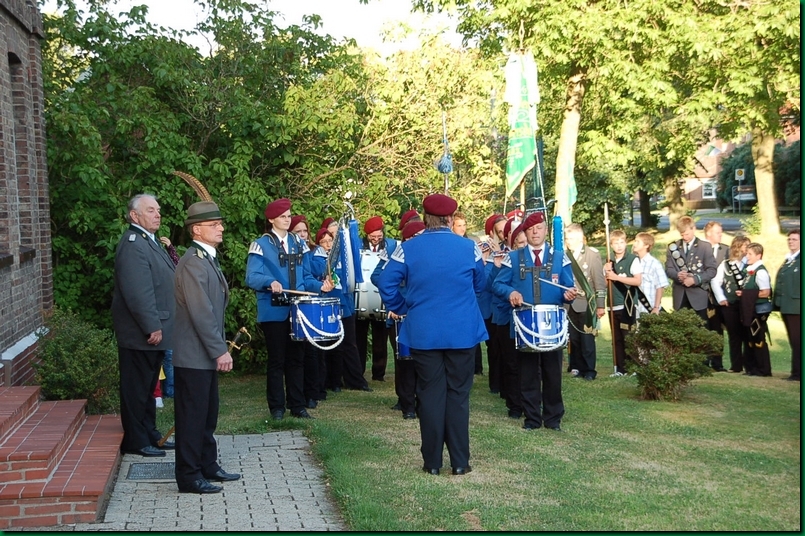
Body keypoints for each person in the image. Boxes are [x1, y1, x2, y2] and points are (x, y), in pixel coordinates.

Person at [378, 193, 487, 476]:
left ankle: (432, 463)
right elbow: (480, 283)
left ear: (425, 218)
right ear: (450, 219)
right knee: (458, 395)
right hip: (462, 331)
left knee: (429, 395)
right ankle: (460, 462)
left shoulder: (407, 248)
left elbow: (386, 282)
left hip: (424, 332)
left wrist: (403, 306)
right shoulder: (469, 247)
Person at [173, 201, 240, 494]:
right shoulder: (193, 263)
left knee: (207, 414)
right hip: (194, 354)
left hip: (202, 354)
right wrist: (219, 350)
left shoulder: (205, 259)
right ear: (196, 230)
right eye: (214, 225)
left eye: (220, 223)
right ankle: (189, 476)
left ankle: (207, 464)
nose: (221, 228)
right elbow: (201, 313)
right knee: (192, 417)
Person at [493, 211, 577, 431]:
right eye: (530, 229)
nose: (535, 232)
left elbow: (568, 287)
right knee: (527, 373)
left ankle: (553, 418)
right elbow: (498, 285)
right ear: (525, 232)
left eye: (539, 228)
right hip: (525, 325)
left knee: (553, 373)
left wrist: (569, 294)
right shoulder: (513, 258)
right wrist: (510, 292)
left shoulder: (560, 257)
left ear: (546, 230)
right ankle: (532, 418)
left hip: (552, 325)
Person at [111, 194, 176, 457]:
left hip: (154, 329)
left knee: (149, 387)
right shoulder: (133, 244)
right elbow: (138, 292)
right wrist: (152, 325)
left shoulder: (149, 241)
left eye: (158, 210)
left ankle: (149, 433)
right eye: (150, 210)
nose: (157, 214)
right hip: (141, 333)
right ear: (134, 216)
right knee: (136, 389)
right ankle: (136, 440)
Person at [245, 198, 317, 420]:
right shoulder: (260, 244)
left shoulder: (299, 243)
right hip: (273, 310)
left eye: (288, 216)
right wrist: (269, 281)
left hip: (298, 310)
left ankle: (298, 405)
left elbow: (306, 276)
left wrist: (320, 286)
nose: (287, 220)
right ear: (271, 220)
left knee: (297, 359)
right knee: (277, 360)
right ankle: (277, 407)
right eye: (282, 217)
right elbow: (251, 277)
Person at [305, 227, 372, 394]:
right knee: (328, 344)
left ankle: (354, 380)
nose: (328, 244)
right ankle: (331, 381)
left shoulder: (341, 257)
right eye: (324, 241)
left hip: (343, 303)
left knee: (348, 343)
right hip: (327, 303)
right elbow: (319, 272)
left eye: (330, 240)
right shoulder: (315, 256)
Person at [376, 219, 426, 419]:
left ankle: (422, 403)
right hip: (399, 313)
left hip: (422, 313)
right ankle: (407, 404)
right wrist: (395, 304)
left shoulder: (428, 253)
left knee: (423, 361)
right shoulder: (395, 251)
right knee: (403, 360)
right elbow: (378, 276)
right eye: (413, 237)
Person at [355, 216, 398, 382]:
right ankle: (358, 371)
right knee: (359, 338)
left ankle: (378, 373)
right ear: (366, 235)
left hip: (381, 299)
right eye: (372, 236)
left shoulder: (391, 246)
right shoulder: (358, 245)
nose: (376, 239)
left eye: (379, 236)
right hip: (361, 298)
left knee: (381, 339)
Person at [564, 223, 606, 381]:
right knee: (574, 338)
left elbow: (599, 282)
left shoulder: (592, 254)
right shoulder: (565, 255)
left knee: (587, 338)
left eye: (571, 238)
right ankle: (577, 367)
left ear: (580, 238)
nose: (568, 241)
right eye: (567, 238)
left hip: (587, 303)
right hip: (569, 303)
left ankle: (589, 370)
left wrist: (600, 305)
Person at [604, 230, 642, 376]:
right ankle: (620, 368)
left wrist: (617, 277)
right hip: (612, 305)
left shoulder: (633, 259)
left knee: (629, 337)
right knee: (617, 338)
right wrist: (606, 273)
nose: (619, 246)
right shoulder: (609, 261)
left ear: (626, 243)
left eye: (622, 242)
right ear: (611, 245)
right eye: (616, 243)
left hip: (628, 304)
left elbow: (637, 281)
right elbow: (605, 284)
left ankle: (633, 367)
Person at [712, 235, 751, 373]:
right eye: (745, 246)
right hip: (731, 304)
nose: (747, 249)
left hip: (746, 305)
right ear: (737, 247)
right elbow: (716, 281)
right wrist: (721, 298)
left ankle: (750, 366)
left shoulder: (751, 264)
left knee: (748, 334)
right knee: (734, 335)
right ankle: (736, 366)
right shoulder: (726, 264)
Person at [665, 216, 717, 319]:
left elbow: (712, 270)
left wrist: (695, 279)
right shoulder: (673, 247)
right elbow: (668, 269)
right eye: (682, 234)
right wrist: (677, 275)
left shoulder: (704, 246)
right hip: (680, 296)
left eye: (687, 234)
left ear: (694, 229)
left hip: (698, 296)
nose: (685, 237)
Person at [736, 242, 772, 377]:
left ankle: (762, 368)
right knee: (750, 338)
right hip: (750, 310)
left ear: (759, 256)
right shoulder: (750, 271)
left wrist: (745, 294)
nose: (747, 256)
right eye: (747, 253)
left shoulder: (760, 272)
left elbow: (765, 292)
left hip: (758, 310)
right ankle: (752, 367)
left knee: (758, 338)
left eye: (750, 254)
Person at [703, 221, 729, 371]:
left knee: (717, 330)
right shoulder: (699, 249)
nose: (721, 234)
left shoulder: (725, 250)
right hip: (701, 296)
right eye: (717, 232)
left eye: (721, 231)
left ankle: (717, 363)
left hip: (719, 297)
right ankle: (703, 361)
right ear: (709, 233)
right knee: (703, 328)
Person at [774, 230, 800, 381]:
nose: (791, 242)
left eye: (795, 239)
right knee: (794, 340)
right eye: (789, 239)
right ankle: (796, 371)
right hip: (787, 305)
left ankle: (797, 373)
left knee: (798, 341)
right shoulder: (789, 259)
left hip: (797, 306)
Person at [632, 232, 668, 317]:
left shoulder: (654, 264)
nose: (634, 244)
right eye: (635, 241)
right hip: (635, 307)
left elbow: (660, 286)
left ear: (646, 245)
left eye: (638, 242)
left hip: (649, 307)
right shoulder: (633, 262)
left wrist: (656, 307)